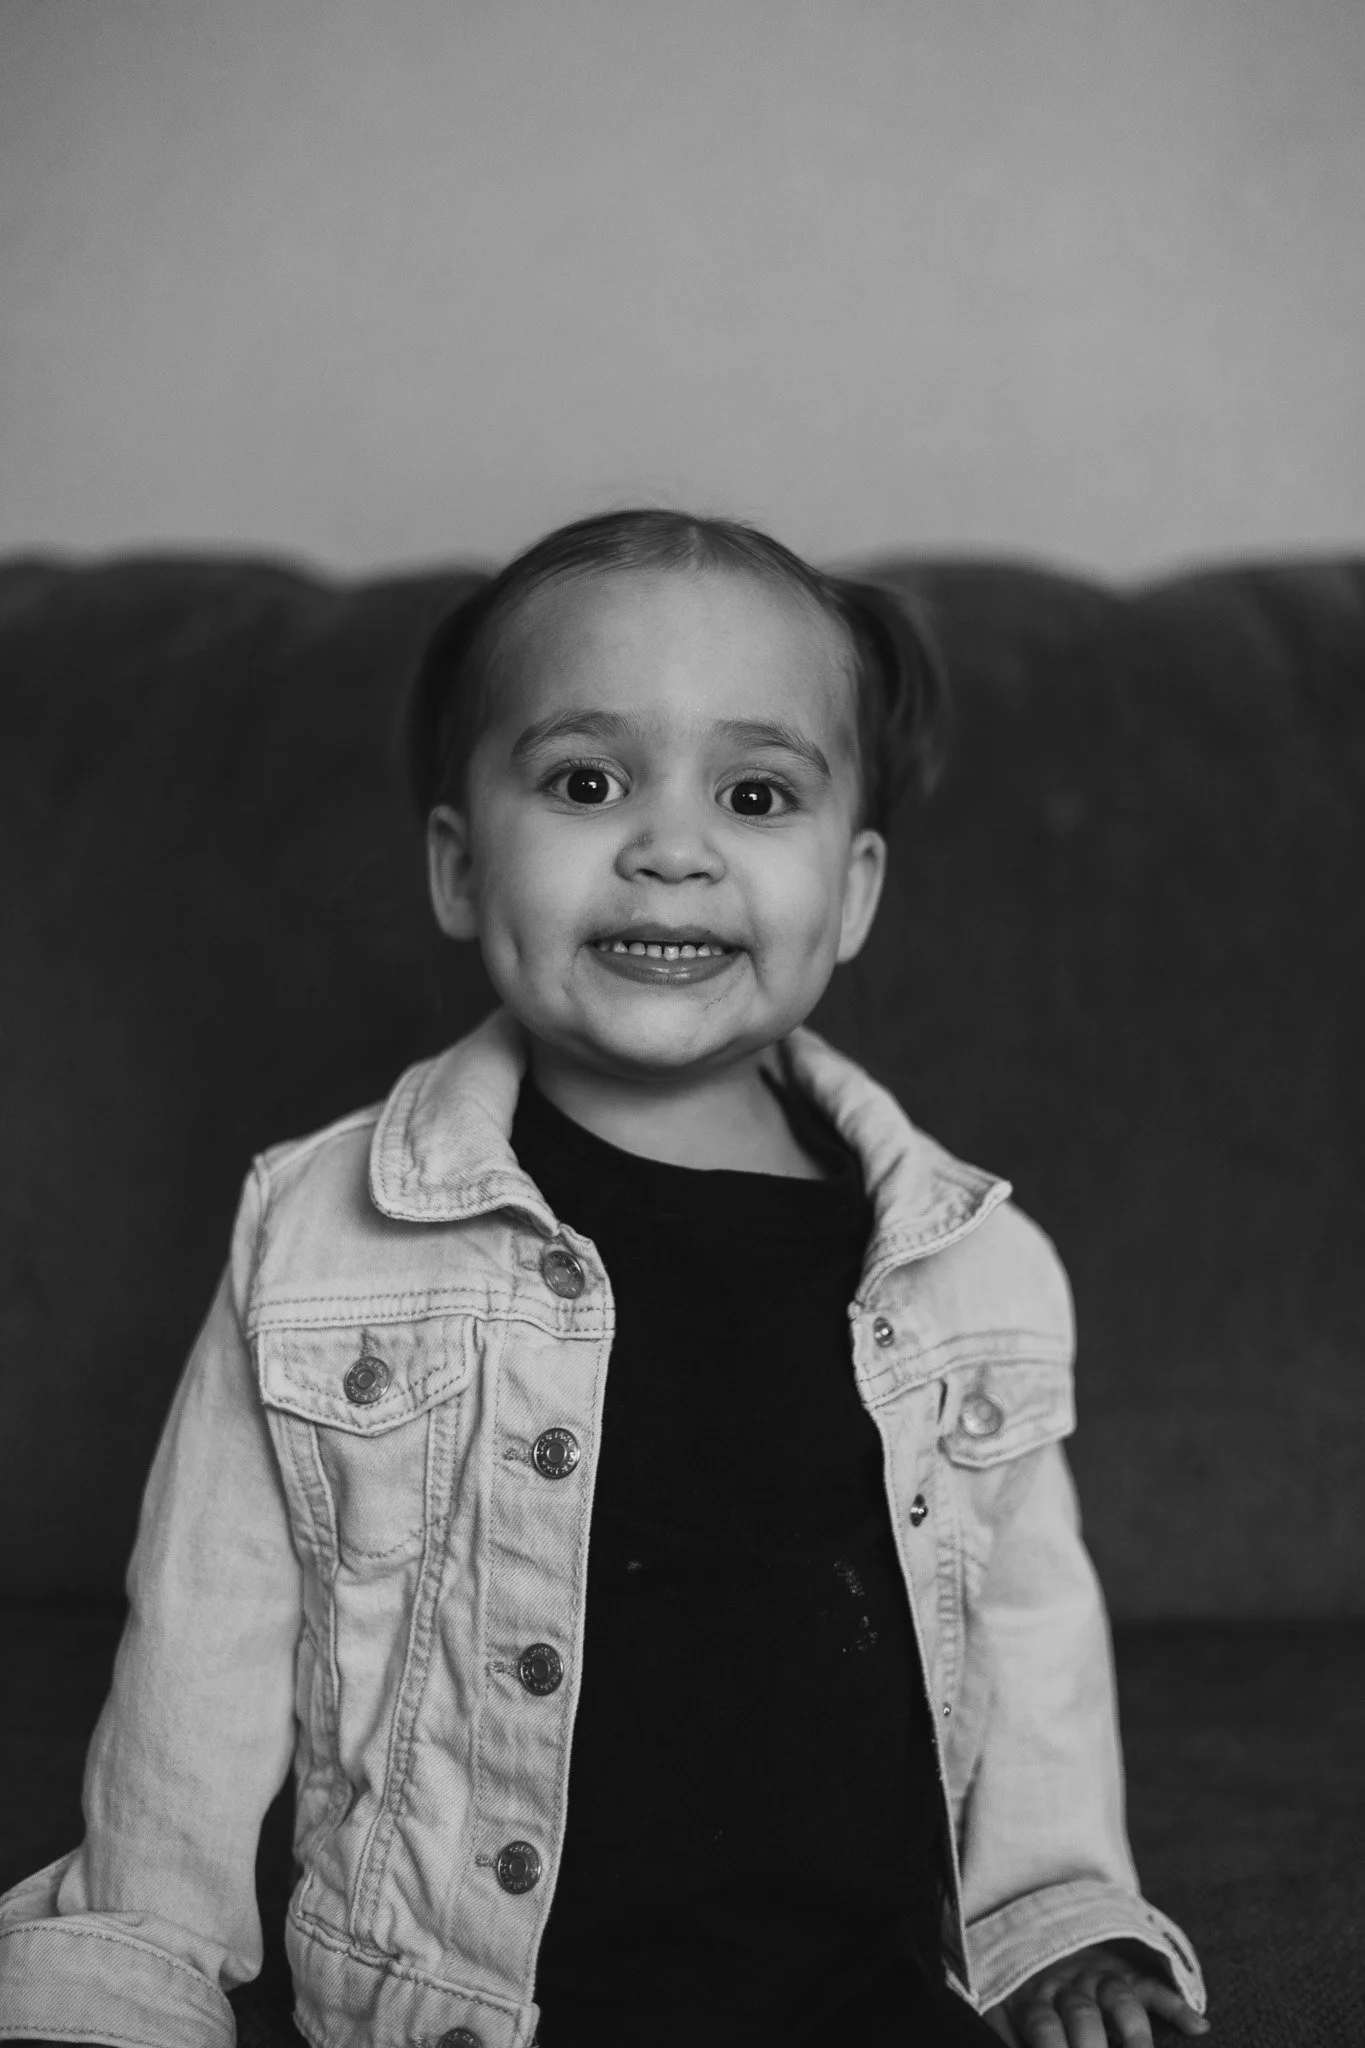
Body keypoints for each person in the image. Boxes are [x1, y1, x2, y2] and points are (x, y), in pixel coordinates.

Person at [0, 510, 1210, 2048]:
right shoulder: (320, 1238)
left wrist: (1059, 1929)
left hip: (872, 2004)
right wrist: (130, 1975)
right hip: (471, 2009)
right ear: (456, 863)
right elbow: (200, 1654)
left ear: (850, 892)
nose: (670, 844)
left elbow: (1032, 1649)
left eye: (757, 793)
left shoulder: (975, 1275)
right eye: (586, 781)